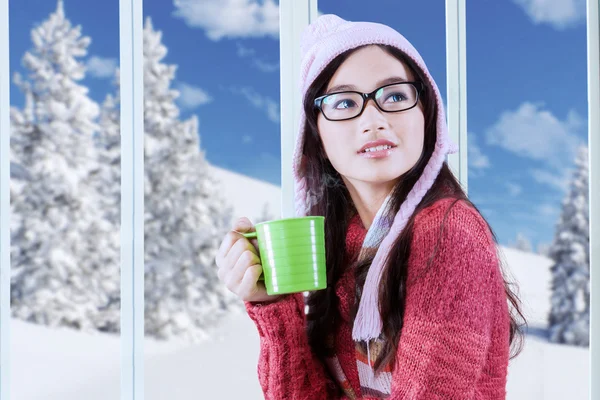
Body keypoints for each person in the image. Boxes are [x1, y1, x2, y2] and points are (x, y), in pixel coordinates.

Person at [215, 14, 526, 400]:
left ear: (427, 114)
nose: (373, 120)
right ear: (316, 133)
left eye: (395, 95)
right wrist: (272, 304)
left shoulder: (448, 232)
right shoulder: (341, 238)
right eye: (344, 102)